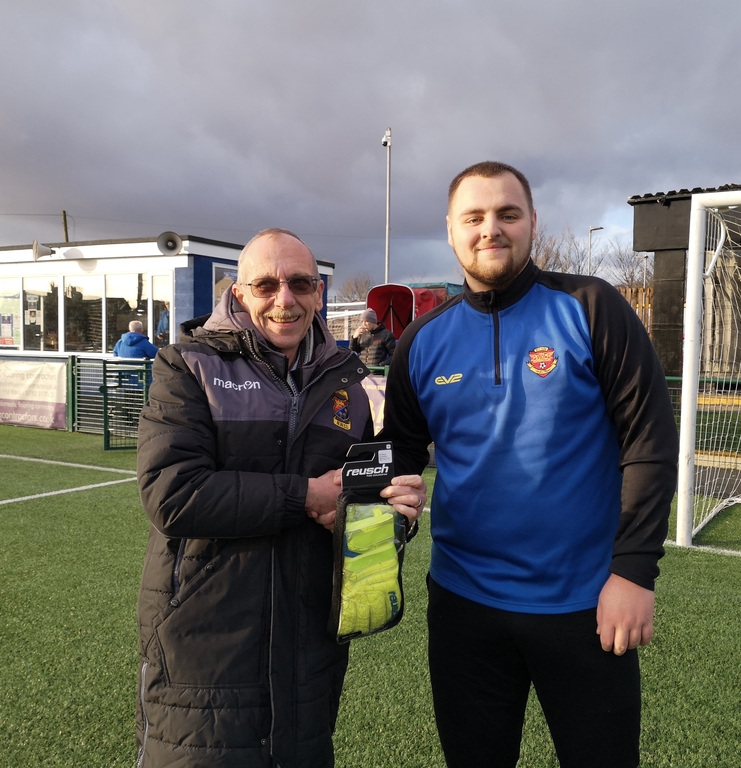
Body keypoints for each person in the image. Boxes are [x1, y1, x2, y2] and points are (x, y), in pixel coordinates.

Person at [381, 162, 679, 768]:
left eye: (507, 214)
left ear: (533, 222)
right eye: (473, 217)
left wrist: (633, 572)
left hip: (586, 604)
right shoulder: (421, 340)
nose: (490, 229)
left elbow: (648, 440)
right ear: (451, 230)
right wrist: (380, 496)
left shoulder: (591, 306)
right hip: (463, 607)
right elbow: (402, 449)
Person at [134, 228, 426, 768]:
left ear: (318, 291)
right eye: (265, 285)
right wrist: (305, 495)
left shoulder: (347, 381)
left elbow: (351, 501)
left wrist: (391, 510)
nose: (284, 299)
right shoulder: (188, 365)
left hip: (309, 643)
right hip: (205, 639)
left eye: (299, 283)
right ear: (239, 293)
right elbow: (172, 493)